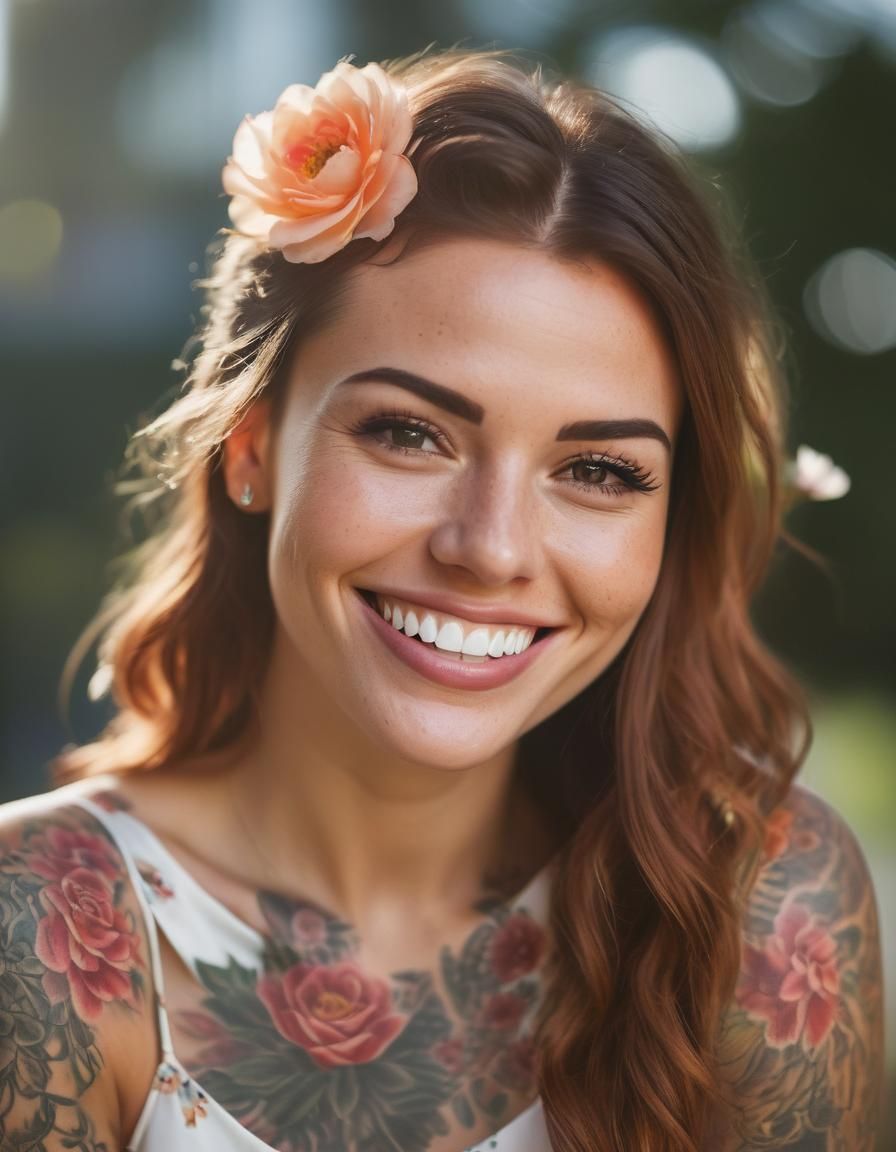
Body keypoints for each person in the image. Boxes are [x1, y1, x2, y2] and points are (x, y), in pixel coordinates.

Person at [0, 46, 883, 1152]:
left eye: (597, 472)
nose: (491, 548)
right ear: (251, 449)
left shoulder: (759, 907)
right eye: (408, 433)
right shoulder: (38, 928)